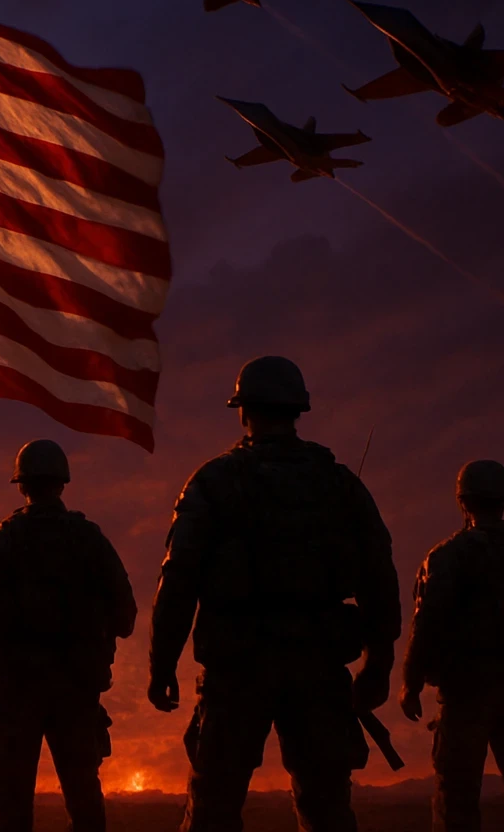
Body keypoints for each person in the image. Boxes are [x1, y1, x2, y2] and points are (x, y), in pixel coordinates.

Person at [148, 356, 401, 832]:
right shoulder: (342, 486)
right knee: (326, 808)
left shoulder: (213, 482)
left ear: (244, 411)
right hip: (319, 667)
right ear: (296, 409)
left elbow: (179, 578)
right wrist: (379, 662)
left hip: (237, 667)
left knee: (213, 807)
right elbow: (379, 577)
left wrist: (162, 665)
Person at [0, 439, 137, 832]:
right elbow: (126, 617)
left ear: (21, 485)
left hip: (14, 691)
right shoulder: (90, 540)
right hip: (75, 690)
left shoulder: (2, 541)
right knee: (84, 801)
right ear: (62, 482)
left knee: (10, 808)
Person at [399, 460, 504, 832]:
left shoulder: (447, 557)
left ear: (464, 502)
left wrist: (410, 685)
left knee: (456, 799)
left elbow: (426, 624)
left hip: (465, 695)